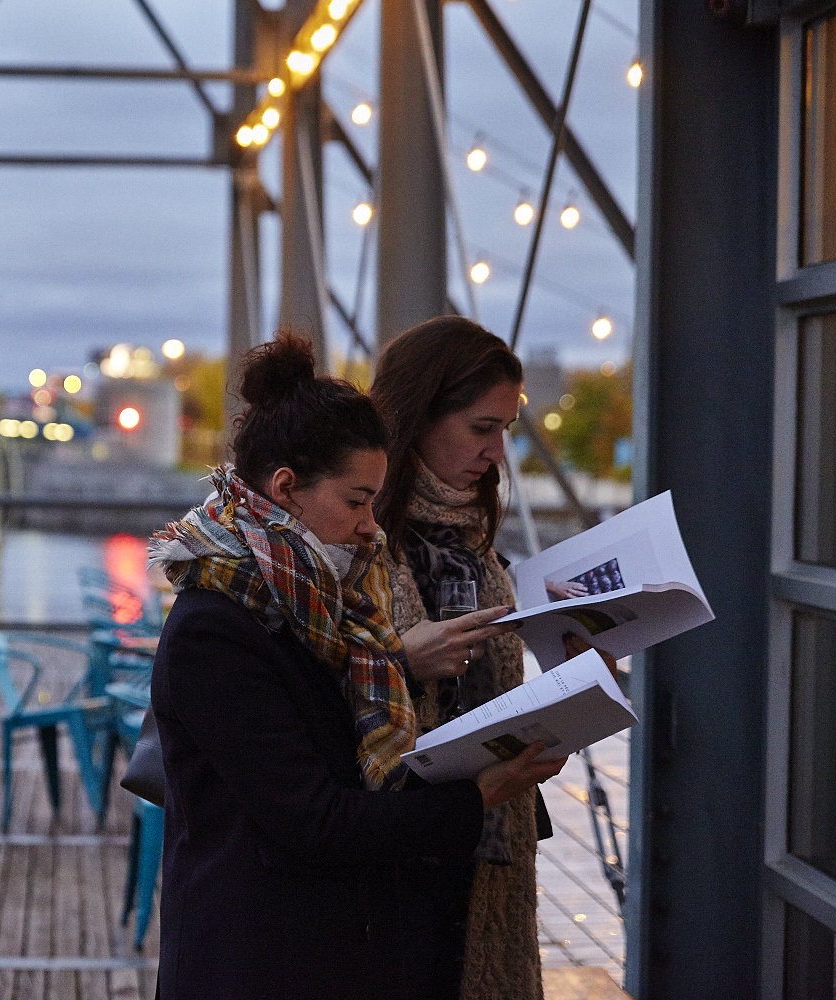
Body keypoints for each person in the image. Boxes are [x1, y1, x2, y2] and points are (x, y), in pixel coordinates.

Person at [148, 334, 564, 1000]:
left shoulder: (326, 601)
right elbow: (316, 822)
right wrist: (478, 794)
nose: (373, 526)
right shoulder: (216, 629)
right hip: (258, 963)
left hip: (325, 950)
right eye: (356, 500)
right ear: (285, 489)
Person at [369, 315, 546, 1000]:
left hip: (489, 844)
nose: (497, 452)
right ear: (417, 416)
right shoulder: (355, 539)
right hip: (394, 851)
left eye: (505, 430)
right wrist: (401, 664)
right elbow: (305, 697)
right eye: (481, 428)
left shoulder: (475, 535)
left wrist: (575, 672)